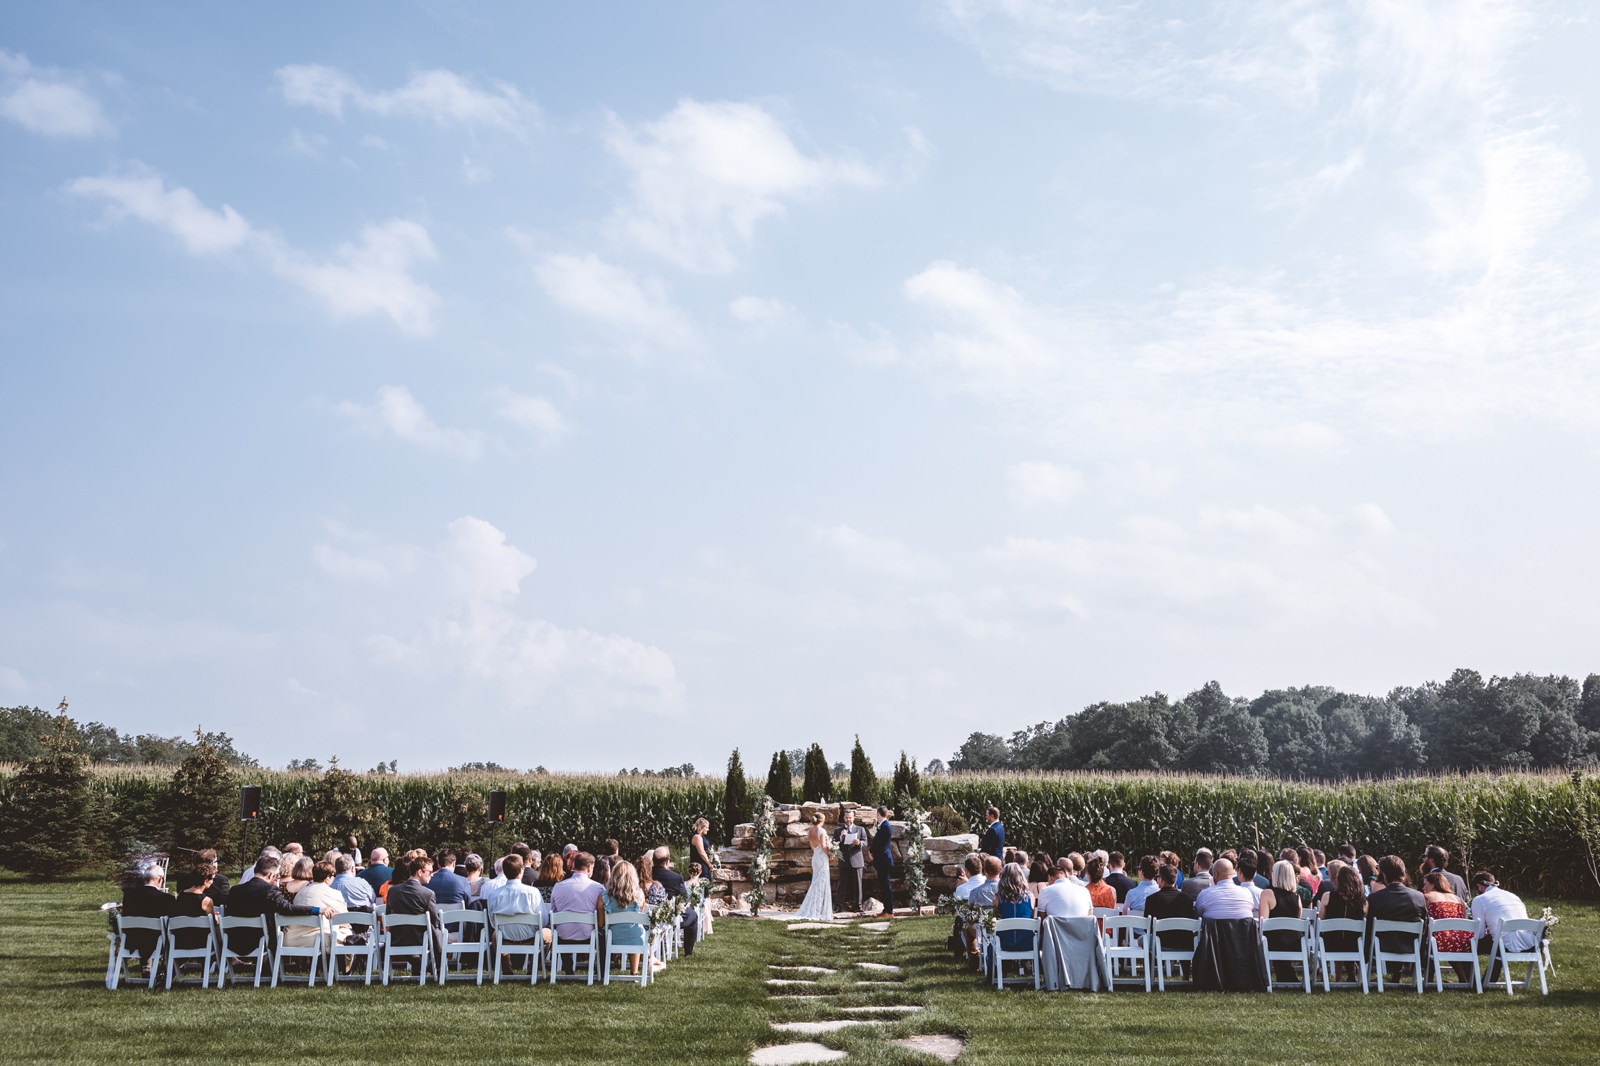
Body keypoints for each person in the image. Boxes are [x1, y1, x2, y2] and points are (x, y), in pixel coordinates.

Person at [225, 852, 335, 960]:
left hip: (234, 941)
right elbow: (288, 908)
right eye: (277, 876)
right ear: (270, 875)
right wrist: (318, 909)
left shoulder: (235, 890)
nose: (277, 879)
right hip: (261, 942)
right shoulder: (269, 890)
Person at [1367, 854, 1427, 981]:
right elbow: (1424, 924)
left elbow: (1369, 926)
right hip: (1411, 945)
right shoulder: (1418, 896)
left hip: (1382, 945)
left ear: (1384, 874)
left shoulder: (1375, 898)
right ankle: (1397, 973)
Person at [1470, 871, 1538, 980]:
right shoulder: (1513, 896)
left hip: (1504, 946)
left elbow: (1479, 933)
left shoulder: (1479, 900)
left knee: (1469, 945)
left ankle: (1470, 981)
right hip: (1528, 944)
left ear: (1479, 886)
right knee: (1498, 938)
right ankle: (1489, 979)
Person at [386, 853, 444, 968]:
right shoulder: (428, 894)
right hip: (421, 939)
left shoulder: (393, 891)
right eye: (430, 872)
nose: (432, 875)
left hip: (397, 938)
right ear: (419, 872)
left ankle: (421, 966)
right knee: (449, 937)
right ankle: (435, 968)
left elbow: (388, 915)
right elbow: (435, 922)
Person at [487, 854, 543, 968]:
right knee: (549, 935)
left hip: (505, 937)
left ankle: (506, 968)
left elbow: (493, 922)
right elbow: (543, 920)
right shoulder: (533, 892)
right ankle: (533, 966)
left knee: (495, 935)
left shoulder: (493, 895)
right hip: (531, 937)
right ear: (521, 870)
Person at [120, 860, 178, 967]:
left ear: (144, 879)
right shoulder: (166, 899)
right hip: (157, 943)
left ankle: (147, 966)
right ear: (160, 879)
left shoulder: (129, 896)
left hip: (131, 941)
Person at [1317, 863, 1367, 982]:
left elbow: (1321, 920)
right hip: (1355, 945)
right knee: (1347, 936)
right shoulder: (1364, 901)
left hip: (1330, 944)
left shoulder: (1327, 896)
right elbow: (1363, 920)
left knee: (1336, 935)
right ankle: (1348, 974)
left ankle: (1336, 976)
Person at [1257, 860, 1304, 983]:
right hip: (1295, 942)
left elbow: (1263, 923)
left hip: (1274, 942)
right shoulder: (1297, 897)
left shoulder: (1268, 894)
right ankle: (1286, 973)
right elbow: (1297, 921)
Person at [1422, 870, 1474, 982]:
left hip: (1439, 941)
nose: (1423, 887)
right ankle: (1463, 978)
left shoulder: (1426, 897)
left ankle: (1429, 979)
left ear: (1433, 884)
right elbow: (1464, 918)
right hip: (1463, 942)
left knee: (1430, 938)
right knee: (1449, 937)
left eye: (1425, 884)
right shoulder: (1458, 899)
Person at [285, 860, 347, 948]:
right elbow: (345, 919)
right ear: (328, 878)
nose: (334, 878)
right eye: (334, 875)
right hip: (317, 940)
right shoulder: (334, 893)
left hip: (292, 939)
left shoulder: (300, 892)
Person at [651, 848, 700, 955]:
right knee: (693, 916)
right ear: (667, 861)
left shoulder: (645, 875)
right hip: (670, 914)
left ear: (653, 860)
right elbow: (684, 897)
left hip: (648, 913)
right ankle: (688, 951)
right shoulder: (676, 877)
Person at [604, 859, 648, 976]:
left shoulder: (604, 897)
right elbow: (640, 917)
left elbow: (600, 923)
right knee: (635, 929)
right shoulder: (640, 895)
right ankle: (634, 971)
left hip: (613, 938)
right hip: (636, 937)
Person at [1144, 864, 1196, 959]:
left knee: (1142, 940)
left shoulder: (1152, 899)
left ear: (1161, 879)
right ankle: (1185, 973)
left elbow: (1147, 927)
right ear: (1175, 879)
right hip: (1185, 944)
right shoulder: (1187, 900)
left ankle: (1151, 968)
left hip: (1161, 944)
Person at [171, 856, 219, 954]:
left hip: (181, 939)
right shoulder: (206, 901)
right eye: (212, 879)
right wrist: (216, 917)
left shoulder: (181, 895)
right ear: (206, 881)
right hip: (200, 941)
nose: (212, 881)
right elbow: (213, 923)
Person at [794, 810, 835, 921]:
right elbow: (823, 846)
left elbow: (813, 847)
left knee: (816, 882)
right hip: (822, 858)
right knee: (822, 883)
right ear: (822, 820)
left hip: (815, 857)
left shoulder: (810, 831)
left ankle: (815, 907)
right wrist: (830, 854)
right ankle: (819, 910)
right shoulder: (821, 830)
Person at [992, 862, 1035, 960]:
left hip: (1004, 943)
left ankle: (1001, 969)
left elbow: (995, 919)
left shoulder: (997, 899)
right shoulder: (1030, 897)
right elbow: (1031, 918)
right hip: (1027, 942)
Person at [835, 808, 868, 912]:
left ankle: (858, 906)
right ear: (844, 818)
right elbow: (834, 845)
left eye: (850, 818)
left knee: (858, 884)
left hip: (856, 860)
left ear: (854, 818)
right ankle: (838, 906)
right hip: (844, 860)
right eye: (846, 817)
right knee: (841, 884)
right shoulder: (838, 830)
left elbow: (865, 842)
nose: (848, 820)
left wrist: (859, 843)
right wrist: (841, 837)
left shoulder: (860, 829)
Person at [870, 805, 896, 916]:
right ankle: (886, 910)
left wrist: (871, 852)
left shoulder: (885, 826)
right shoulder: (883, 825)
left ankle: (889, 911)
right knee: (883, 886)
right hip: (881, 859)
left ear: (878, 814)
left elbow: (880, 844)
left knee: (886, 886)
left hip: (884, 859)